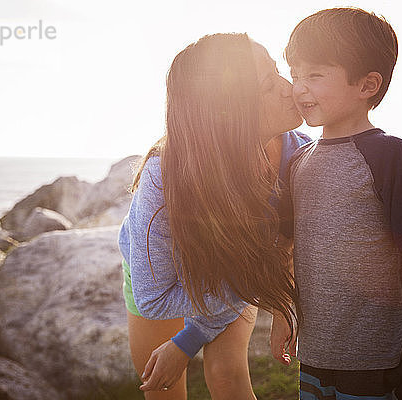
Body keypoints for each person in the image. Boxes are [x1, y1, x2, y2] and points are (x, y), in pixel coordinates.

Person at [118, 33, 310, 400]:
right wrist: (187, 340)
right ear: (230, 112)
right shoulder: (166, 177)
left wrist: (190, 338)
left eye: (278, 72)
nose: (289, 89)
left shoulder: (298, 157)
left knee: (225, 375)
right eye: (269, 85)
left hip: (237, 270)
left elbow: (281, 252)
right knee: (160, 386)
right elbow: (155, 299)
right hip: (166, 275)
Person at [270, 8, 402, 400]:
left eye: (315, 75)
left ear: (367, 84)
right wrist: (283, 313)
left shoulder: (388, 154)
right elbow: (287, 247)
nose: (299, 87)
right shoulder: (298, 161)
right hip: (315, 352)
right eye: (296, 74)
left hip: (377, 355)